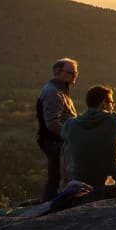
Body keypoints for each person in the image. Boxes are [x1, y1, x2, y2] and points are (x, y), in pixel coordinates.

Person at [62, 85, 116, 190]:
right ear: (103, 103)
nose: (112, 106)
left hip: (79, 180)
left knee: (69, 145)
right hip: (110, 180)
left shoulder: (70, 124)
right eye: (111, 103)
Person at [36, 58, 78, 201]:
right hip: (55, 141)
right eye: (71, 72)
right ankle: (48, 207)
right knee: (57, 176)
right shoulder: (53, 92)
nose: (75, 75)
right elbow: (53, 123)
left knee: (58, 176)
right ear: (57, 72)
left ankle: (50, 205)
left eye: (76, 72)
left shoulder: (60, 90)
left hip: (56, 140)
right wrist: (69, 136)